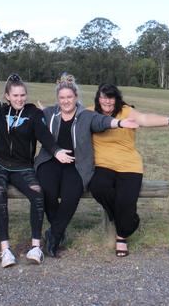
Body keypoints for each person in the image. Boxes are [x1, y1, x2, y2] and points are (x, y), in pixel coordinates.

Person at [0, 41, 73, 267]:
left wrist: (56, 151)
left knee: (38, 194)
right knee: (0, 196)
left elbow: (44, 135)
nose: (19, 99)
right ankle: (5, 250)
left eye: (22, 95)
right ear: (7, 96)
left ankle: (36, 247)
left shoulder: (33, 113)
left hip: (23, 166)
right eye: (15, 95)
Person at [33, 74, 138, 258]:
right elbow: (33, 121)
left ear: (76, 98)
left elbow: (102, 121)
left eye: (69, 97)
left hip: (76, 164)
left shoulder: (86, 115)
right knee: (47, 191)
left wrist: (119, 122)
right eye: (62, 98)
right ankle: (58, 231)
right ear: (58, 99)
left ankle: (54, 234)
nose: (66, 101)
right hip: (50, 161)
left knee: (71, 195)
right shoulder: (49, 113)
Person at [89, 83, 169, 256]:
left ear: (116, 98)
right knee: (98, 187)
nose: (106, 101)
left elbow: (144, 119)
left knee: (126, 200)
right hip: (103, 164)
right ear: (98, 98)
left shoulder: (127, 111)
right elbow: (68, 116)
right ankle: (129, 220)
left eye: (111, 97)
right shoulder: (90, 112)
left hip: (129, 165)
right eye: (103, 97)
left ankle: (121, 237)